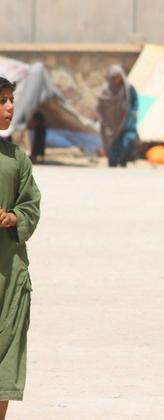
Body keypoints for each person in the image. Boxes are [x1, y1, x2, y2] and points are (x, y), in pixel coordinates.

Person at [0, 76, 41, 420]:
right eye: (2, 101)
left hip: (9, 272)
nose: (10, 107)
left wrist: (14, 217)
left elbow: (31, 203)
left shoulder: (16, 157)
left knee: (8, 347)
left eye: (11, 99)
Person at [96, 64, 139, 167]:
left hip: (126, 120)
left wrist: (135, 111)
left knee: (128, 140)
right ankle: (113, 162)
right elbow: (100, 105)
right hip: (111, 122)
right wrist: (102, 118)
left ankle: (123, 160)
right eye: (114, 77)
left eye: (118, 77)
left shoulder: (128, 88)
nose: (116, 80)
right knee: (113, 143)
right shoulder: (106, 90)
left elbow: (134, 101)